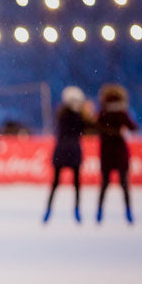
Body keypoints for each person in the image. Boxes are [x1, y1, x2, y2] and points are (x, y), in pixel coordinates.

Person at [43, 86, 91, 223]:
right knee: (70, 184)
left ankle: (51, 210)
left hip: (64, 152)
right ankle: (69, 210)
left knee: (59, 183)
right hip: (70, 152)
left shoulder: (62, 114)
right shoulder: (71, 116)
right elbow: (87, 128)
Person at [95, 84, 137, 224]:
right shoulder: (122, 113)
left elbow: (96, 128)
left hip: (106, 152)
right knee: (124, 184)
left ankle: (99, 211)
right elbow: (134, 127)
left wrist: (108, 131)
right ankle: (128, 211)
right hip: (120, 151)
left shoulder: (102, 113)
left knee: (104, 184)